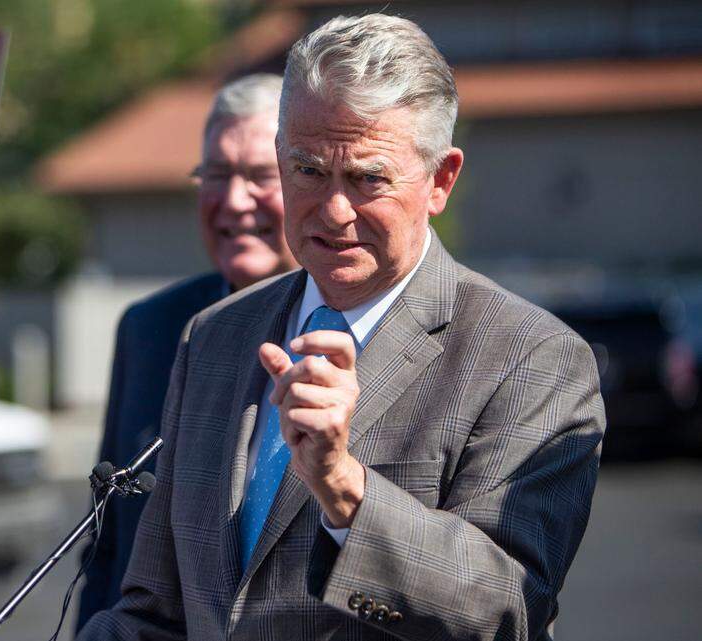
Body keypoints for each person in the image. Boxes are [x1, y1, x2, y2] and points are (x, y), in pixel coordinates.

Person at [77, 14, 605, 641]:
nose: (333, 209)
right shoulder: (214, 337)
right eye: (306, 170)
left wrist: (345, 489)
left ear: (440, 180)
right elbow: (155, 614)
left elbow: (506, 611)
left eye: (367, 178)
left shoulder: (529, 358)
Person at [75, 73, 299, 629]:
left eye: (259, 176)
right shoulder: (150, 329)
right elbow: (107, 538)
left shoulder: (349, 331)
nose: (233, 199)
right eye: (216, 175)